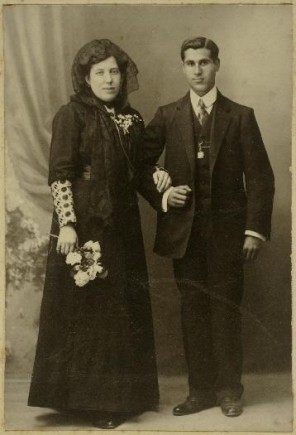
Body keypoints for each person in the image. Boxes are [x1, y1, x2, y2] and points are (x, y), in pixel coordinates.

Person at [27, 39, 171, 429]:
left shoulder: (131, 118)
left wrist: (162, 189)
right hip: (85, 226)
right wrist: (68, 224)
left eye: (114, 71)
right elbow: (60, 173)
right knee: (91, 312)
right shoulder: (71, 116)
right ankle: (93, 405)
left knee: (120, 310)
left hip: (122, 229)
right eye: (100, 73)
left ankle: (123, 397)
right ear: (86, 78)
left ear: (123, 76)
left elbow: (139, 171)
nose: (109, 79)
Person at [139, 37, 275, 418]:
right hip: (185, 237)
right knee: (193, 313)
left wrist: (253, 230)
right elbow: (138, 162)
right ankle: (200, 391)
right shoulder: (168, 114)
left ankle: (230, 389)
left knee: (226, 311)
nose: (197, 70)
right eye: (190, 63)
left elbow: (261, 178)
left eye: (204, 62)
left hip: (230, 236)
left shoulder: (241, 115)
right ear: (182, 67)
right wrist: (164, 191)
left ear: (217, 65)